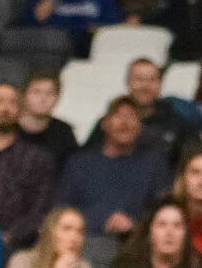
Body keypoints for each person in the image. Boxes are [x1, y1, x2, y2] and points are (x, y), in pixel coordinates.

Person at [0, 81, 60, 250]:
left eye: (12, 102)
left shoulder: (38, 159)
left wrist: (10, 238)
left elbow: (41, 209)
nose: (6, 108)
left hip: (18, 248)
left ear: (20, 112)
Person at [59, 98, 168, 242]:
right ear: (104, 124)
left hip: (137, 242)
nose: (125, 123)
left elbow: (162, 208)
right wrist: (100, 221)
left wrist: (134, 224)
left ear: (140, 127)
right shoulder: (79, 163)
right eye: (118, 115)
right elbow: (62, 208)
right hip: (87, 238)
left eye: (131, 116)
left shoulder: (153, 164)